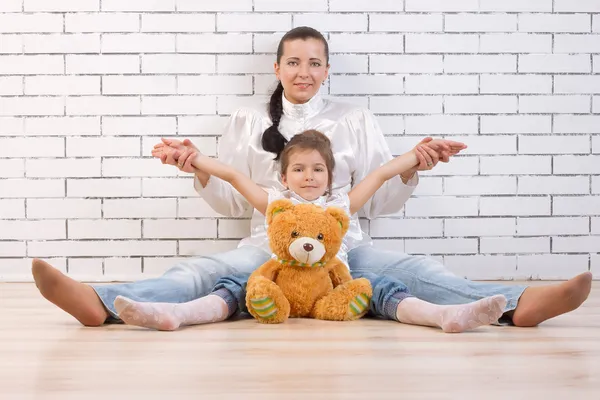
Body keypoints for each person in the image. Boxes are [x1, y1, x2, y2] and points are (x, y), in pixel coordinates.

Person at [31, 26, 592, 328]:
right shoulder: (248, 120)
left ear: (327, 70)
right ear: (277, 69)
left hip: (347, 245)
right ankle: (101, 301)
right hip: (268, 248)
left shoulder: (355, 118)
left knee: (416, 270)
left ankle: (519, 303)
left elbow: (379, 196)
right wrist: (194, 165)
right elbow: (234, 199)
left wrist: (415, 162)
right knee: (203, 271)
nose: (304, 71)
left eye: (315, 62)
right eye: (293, 62)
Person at [114, 130, 506, 333]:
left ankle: (444, 317)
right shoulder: (274, 204)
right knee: (235, 287)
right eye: (299, 169)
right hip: (277, 286)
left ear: (329, 176)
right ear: (283, 177)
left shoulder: (338, 206)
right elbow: (232, 174)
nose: (309, 176)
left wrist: (421, 154)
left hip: (330, 289)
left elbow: (383, 172)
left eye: (318, 169)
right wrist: (191, 157)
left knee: (380, 288)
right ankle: (175, 315)